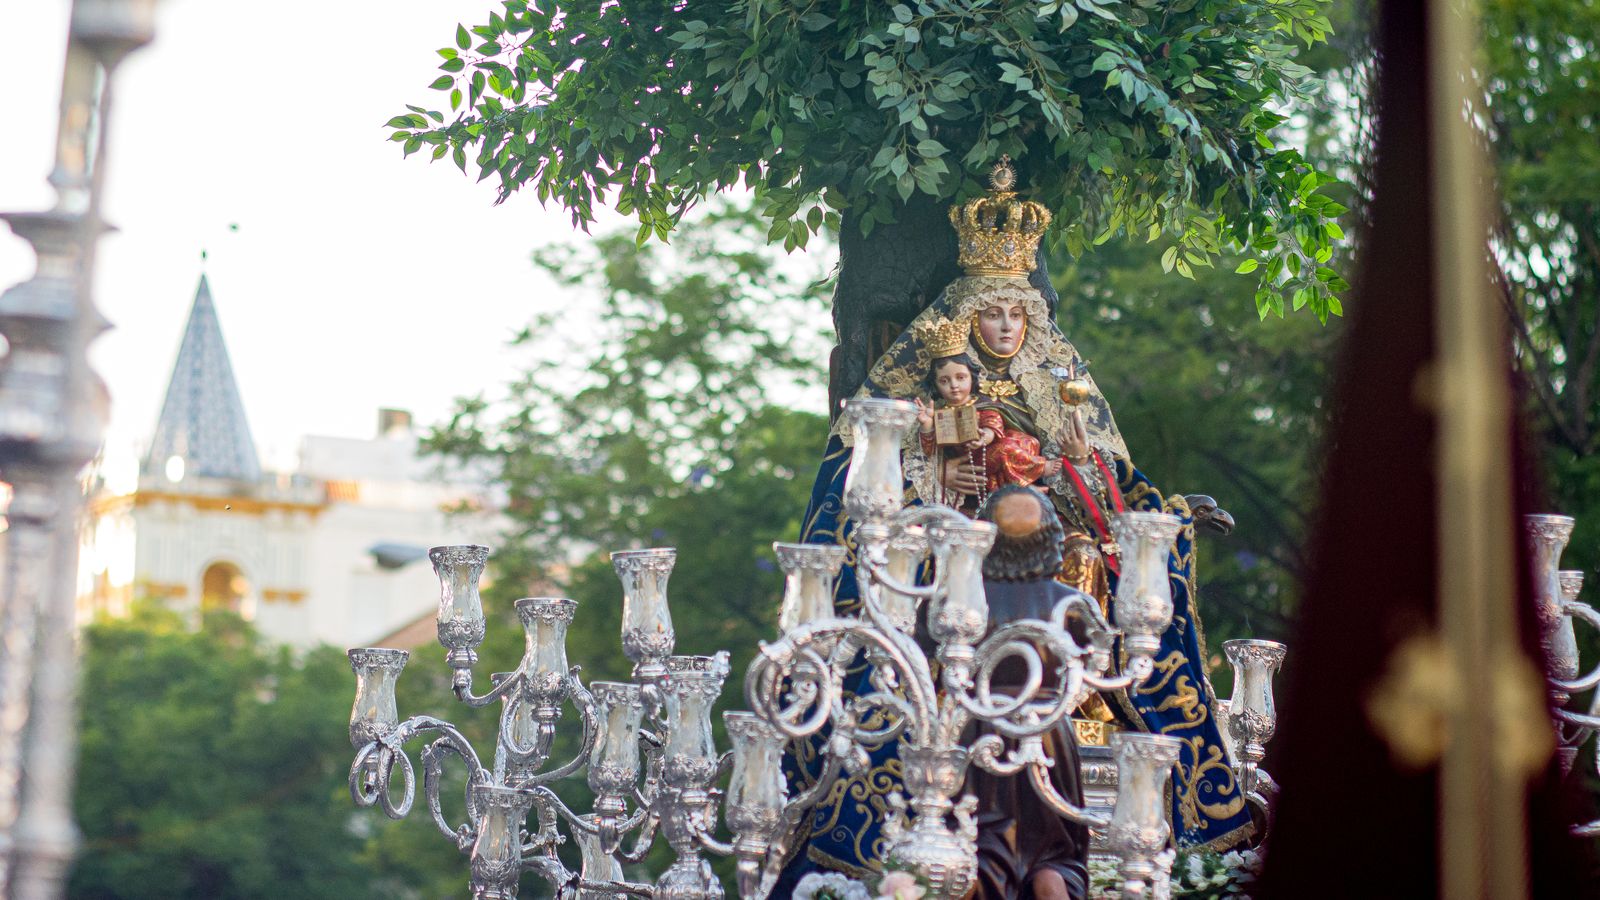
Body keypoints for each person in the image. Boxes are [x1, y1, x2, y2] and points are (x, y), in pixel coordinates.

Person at [780, 161, 1250, 894]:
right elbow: (865, 481)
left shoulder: (1054, 388)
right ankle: (943, 694)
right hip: (959, 544)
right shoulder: (929, 393)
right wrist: (937, 478)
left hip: (1042, 553)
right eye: (992, 316)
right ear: (967, 322)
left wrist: (1169, 514)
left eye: (1016, 317)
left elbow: (1107, 481)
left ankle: (1081, 702)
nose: (1004, 327)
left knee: (1092, 557)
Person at [964, 484, 1096, 900]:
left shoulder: (965, 600)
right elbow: (1096, 667)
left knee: (985, 837)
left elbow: (932, 658)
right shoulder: (1071, 601)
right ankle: (1051, 880)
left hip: (982, 725)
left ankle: (987, 880)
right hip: (1050, 730)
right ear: (1051, 535)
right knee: (1053, 847)